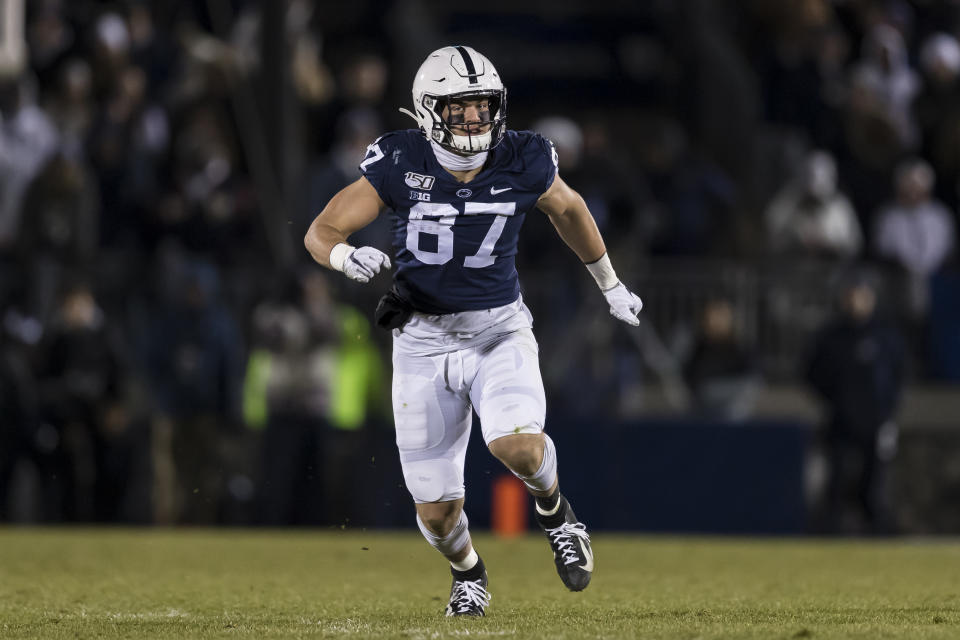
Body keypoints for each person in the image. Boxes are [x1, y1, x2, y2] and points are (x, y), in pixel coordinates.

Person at [304, 46, 643, 617]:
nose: (475, 119)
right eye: (460, 109)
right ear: (428, 109)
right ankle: (469, 574)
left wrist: (610, 284)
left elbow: (569, 210)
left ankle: (559, 516)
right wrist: (341, 257)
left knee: (518, 446)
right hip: (420, 340)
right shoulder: (397, 158)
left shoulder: (524, 156)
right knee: (436, 513)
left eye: (483, 107)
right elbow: (321, 228)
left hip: (497, 331)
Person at [805, 270, 905, 534]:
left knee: (873, 485)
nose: (856, 301)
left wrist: (888, 413)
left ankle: (877, 534)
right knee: (835, 480)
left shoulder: (885, 335)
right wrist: (835, 399)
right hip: (841, 419)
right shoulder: (831, 336)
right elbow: (811, 372)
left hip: (876, 419)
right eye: (851, 295)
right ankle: (831, 532)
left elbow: (897, 376)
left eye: (861, 295)